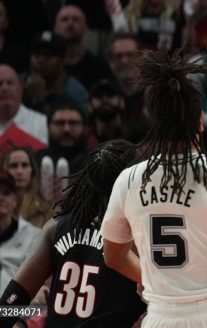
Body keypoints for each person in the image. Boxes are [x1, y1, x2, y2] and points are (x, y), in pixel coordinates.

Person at [101, 49, 207, 328]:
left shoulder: (129, 180)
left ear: (155, 121)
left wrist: (157, 280)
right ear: (201, 122)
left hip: (161, 317)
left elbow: (114, 255)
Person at [0, 140, 145, 328]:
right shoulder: (137, 233)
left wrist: (30, 315)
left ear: (88, 178)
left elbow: (10, 303)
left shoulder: (55, 227)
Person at [0, 171, 39, 291]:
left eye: (6, 193)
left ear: (14, 201)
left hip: (16, 307)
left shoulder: (34, 236)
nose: (1, 198)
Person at [2, 146, 53, 227]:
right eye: (13, 166)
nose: (19, 171)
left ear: (32, 171)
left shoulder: (45, 208)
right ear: (5, 170)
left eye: (24, 165)